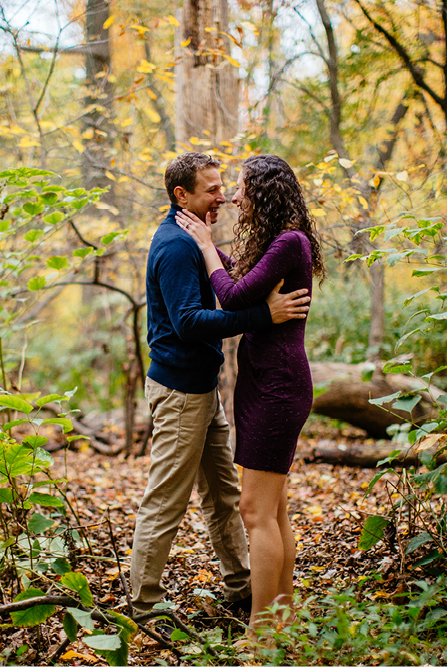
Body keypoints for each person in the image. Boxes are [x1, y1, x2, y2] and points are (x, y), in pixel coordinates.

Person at [129, 152, 311, 617]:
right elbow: (190, 321)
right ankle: (145, 603)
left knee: (227, 497)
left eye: (226, 187)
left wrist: (215, 250)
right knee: (167, 499)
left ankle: (243, 587)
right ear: (181, 195)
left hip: (205, 389)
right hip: (180, 391)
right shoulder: (175, 245)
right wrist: (263, 315)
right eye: (211, 190)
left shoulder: (198, 240)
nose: (222, 198)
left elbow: (235, 280)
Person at [175, 154, 324, 634]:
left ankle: (262, 633)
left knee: (254, 510)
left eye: (241, 188)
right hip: (267, 382)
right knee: (272, 507)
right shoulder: (284, 242)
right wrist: (215, 249)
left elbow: (235, 297)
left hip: (279, 385)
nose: (235, 197)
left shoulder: (288, 241)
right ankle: (283, 619)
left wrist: (204, 246)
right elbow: (246, 281)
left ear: (264, 192)